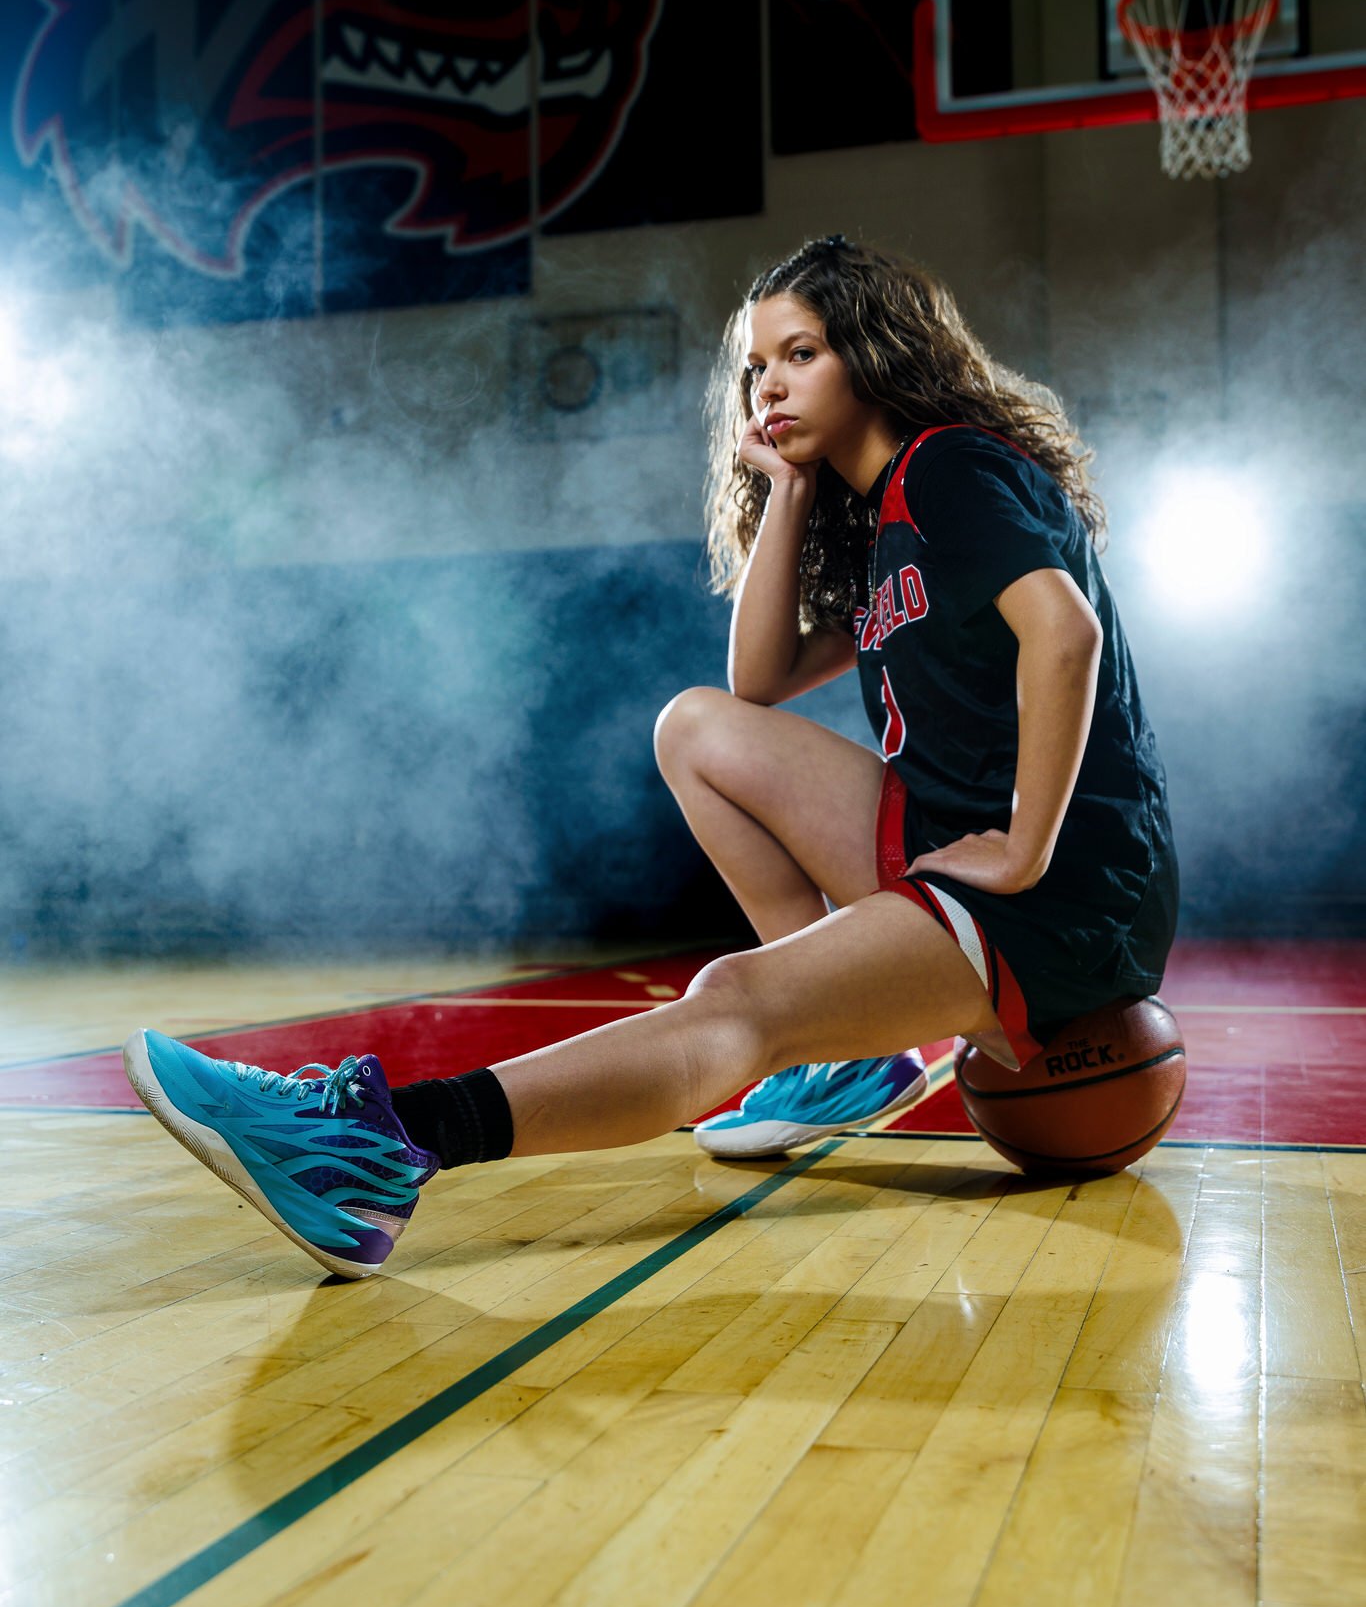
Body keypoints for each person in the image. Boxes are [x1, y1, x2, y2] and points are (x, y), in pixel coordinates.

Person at [123, 234, 1179, 1279]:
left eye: (801, 353)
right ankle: (848, 1054)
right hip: (960, 844)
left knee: (736, 1000)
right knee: (697, 726)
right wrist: (791, 491)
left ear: (876, 351)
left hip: (1063, 894)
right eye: (755, 365)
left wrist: (1027, 848)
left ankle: (384, 1144)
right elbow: (756, 680)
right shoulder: (879, 513)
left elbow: (1065, 633)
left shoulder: (947, 463)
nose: (767, 384)